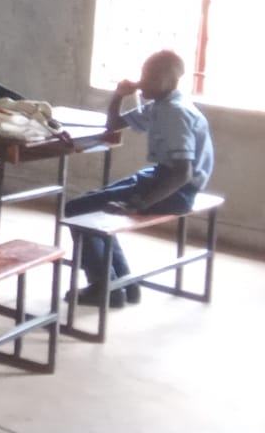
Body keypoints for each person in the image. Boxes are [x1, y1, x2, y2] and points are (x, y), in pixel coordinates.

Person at [66, 50, 215, 309]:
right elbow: (113, 126)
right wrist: (118, 96)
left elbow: (182, 173)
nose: (143, 81)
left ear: (171, 80)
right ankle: (124, 285)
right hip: (160, 178)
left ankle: (106, 289)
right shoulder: (162, 104)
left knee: (76, 209)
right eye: (143, 74)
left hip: (177, 191)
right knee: (90, 204)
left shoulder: (174, 113)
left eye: (152, 77)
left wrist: (140, 204)